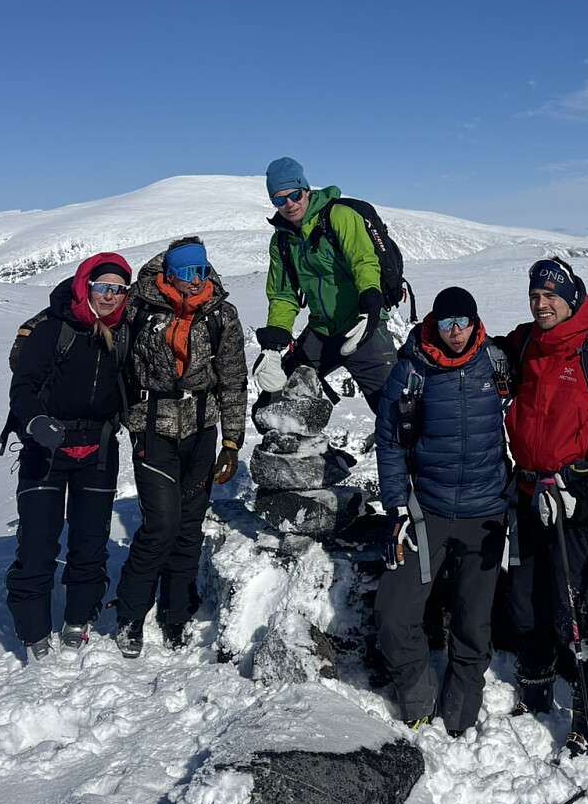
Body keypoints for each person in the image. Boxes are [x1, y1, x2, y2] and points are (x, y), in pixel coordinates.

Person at [497, 257, 588, 753]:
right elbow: (477, 345)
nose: (541, 303)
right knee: (526, 603)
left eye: (551, 295)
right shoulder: (526, 342)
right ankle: (535, 690)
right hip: (528, 494)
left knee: (577, 611)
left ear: (571, 298)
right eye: (535, 295)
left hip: (575, 501)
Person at [373, 286, 512, 734]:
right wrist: (396, 507)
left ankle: (459, 711)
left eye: (463, 322)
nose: (455, 332)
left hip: (486, 513)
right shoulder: (411, 369)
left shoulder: (496, 362)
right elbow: (389, 441)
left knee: (473, 622)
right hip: (426, 510)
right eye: (447, 323)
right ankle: (417, 695)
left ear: (475, 322)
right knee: (394, 611)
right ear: (434, 322)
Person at [114, 237, 246, 656]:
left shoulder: (221, 314)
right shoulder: (138, 307)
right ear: (169, 274)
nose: (195, 280)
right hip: (152, 426)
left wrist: (232, 441)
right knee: (161, 526)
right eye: (186, 272)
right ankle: (131, 615)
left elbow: (233, 380)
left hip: (203, 430)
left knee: (189, 528)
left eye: (201, 270)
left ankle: (176, 615)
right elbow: (94, 322)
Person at [4, 252, 133, 660]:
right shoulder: (52, 329)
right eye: (102, 287)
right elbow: (23, 386)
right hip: (46, 449)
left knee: (90, 542)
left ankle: (79, 617)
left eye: (118, 289)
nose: (110, 296)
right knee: (38, 543)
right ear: (85, 286)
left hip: (98, 449)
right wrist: (35, 421)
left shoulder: (124, 333)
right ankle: (33, 630)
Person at [252, 158, 398, 410]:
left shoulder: (339, 216)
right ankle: (299, 436)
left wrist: (371, 301)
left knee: (395, 414)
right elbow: (283, 295)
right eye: (279, 199)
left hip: (363, 326)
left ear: (306, 190)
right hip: (322, 332)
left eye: (295, 195)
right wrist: (274, 343)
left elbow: (363, 261)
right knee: (272, 406)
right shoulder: (281, 241)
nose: (289, 204)